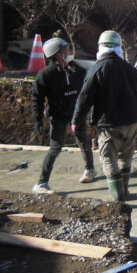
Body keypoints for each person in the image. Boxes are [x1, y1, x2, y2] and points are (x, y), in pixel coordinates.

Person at [71, 30, 137, 202]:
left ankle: (118, 197)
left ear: (100, 47)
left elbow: (84, 97)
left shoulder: (97, 68)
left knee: (108, 159)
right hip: (131, 122)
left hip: (109, 124)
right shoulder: (131, 70)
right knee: (126, 158)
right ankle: (125, 192)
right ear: (119, 48)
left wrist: (76, 120)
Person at [30, 37, 96, 194]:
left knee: (83, 141)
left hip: (76, 114)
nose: (70, 51)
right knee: (55, 147)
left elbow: (86, 92)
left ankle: (90, 169)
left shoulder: (77, 70)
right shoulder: (46, 75)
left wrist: (89, 110)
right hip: (58, 115)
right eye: (66, 49)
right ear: (57, 55)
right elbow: (36, 98)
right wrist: (37, 120)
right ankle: (41, 183)